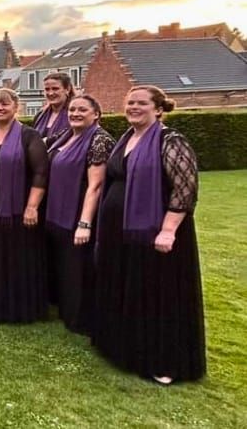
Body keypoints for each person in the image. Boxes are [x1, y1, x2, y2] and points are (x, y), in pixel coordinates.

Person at [93, 86, 205, 383]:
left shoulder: (170, 140)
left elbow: (186, 188)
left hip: (154, 232)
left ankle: (164, 361)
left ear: (158, 109)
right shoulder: (126, 139)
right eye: (130, 102)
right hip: (121, 231)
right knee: (128, 287)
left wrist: (168, 229)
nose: (134, 107)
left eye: (141, 103)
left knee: (158, 295)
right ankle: (124, 348)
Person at [0, 88, 50, 323]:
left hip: (15, 208)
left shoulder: (29, 136)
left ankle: (14, 307)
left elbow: (41, 173)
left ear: (16, 107)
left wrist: (32, 206)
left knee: (13, 257)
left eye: (4, 104)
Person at [45, 95, 113, 334]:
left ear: (96, 114)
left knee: (78, 269)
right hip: (57, 213)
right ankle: (65, 310)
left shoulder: (99, 140)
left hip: (79, 214)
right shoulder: (65, 136)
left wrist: (84, 223)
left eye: (82, 110)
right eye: (72, 109)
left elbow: (96, 186)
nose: (74, 113)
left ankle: (81, 319)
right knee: (64, 266)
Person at [31, 73, 75, 144]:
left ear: (67, 89)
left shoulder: (75, 114)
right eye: (47, 89)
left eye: (55, 89)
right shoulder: (40, 115)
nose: (50, 93)